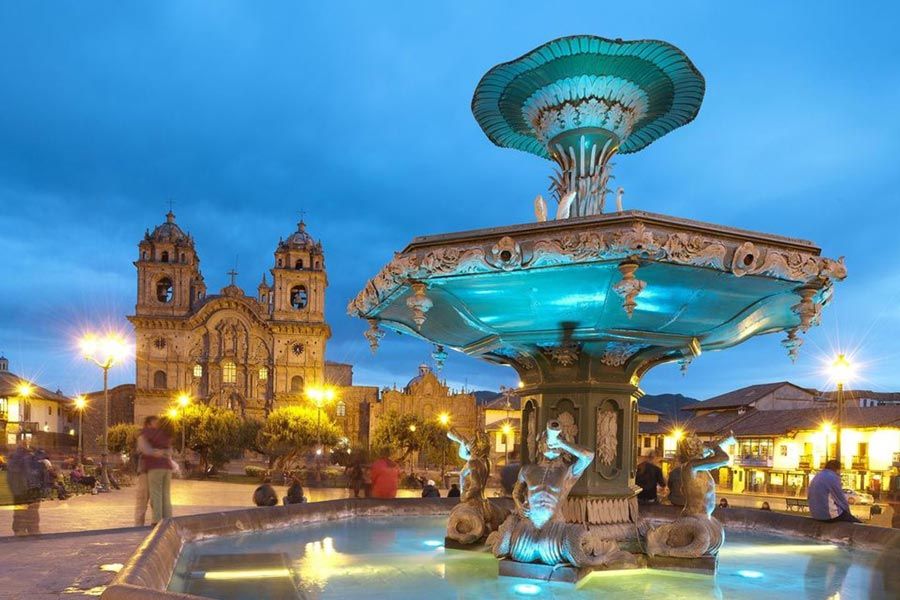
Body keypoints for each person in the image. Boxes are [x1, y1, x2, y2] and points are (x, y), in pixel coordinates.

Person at [141, 416, 174, 524]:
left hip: (155, 467)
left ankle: (157, 520)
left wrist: (155, 452)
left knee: (156, 494)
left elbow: (145, 450)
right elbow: (170, 451)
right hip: (167, 467)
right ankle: (168, 520)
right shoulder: (166, 435)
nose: (157, 423)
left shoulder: (148, 433)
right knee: (166, 494)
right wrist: (163, 452)